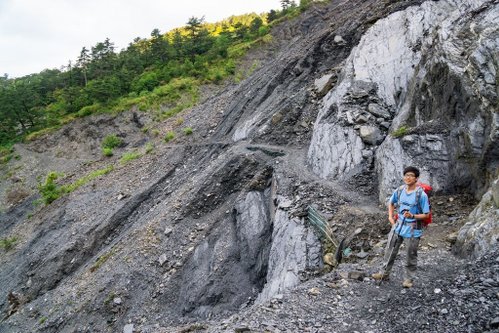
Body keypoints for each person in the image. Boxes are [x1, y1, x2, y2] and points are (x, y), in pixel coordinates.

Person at [372, 166, 430, 288]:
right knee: (390, 250)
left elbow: (426, 214)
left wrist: (413, 215)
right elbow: (391, 203)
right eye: (406, 175)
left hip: (413, 229)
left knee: (410, 254)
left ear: (416, 178)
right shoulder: (399, 190)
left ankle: (409, 279)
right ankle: (384, 273)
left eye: (411, 175)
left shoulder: (421, 195)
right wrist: (390, 216)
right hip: (398, 226)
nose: (407, 178)